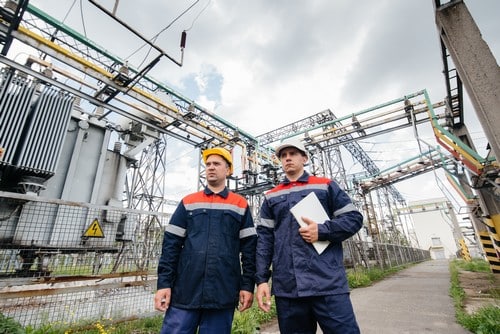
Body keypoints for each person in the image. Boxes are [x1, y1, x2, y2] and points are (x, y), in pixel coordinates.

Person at [255, 137, 363, 334]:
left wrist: (323, 230)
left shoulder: (326, 185)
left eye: (293, 154)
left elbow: (354, 219)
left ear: (304, 158)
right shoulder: (271, 196)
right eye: (283, 155)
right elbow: (264, 241)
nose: (287, 158)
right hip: (288, 289)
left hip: (327, 284)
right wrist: (261, 280)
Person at [154, 147, 257, 334]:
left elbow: (249, 251)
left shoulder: (239, 204)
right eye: (208, 164)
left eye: (216, 164)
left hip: (222, 291)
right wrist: (164, 284)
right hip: (185, 291)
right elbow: (171, 246)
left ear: (228, 170)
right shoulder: (188, 202)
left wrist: (247, 286)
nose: (210, 167)